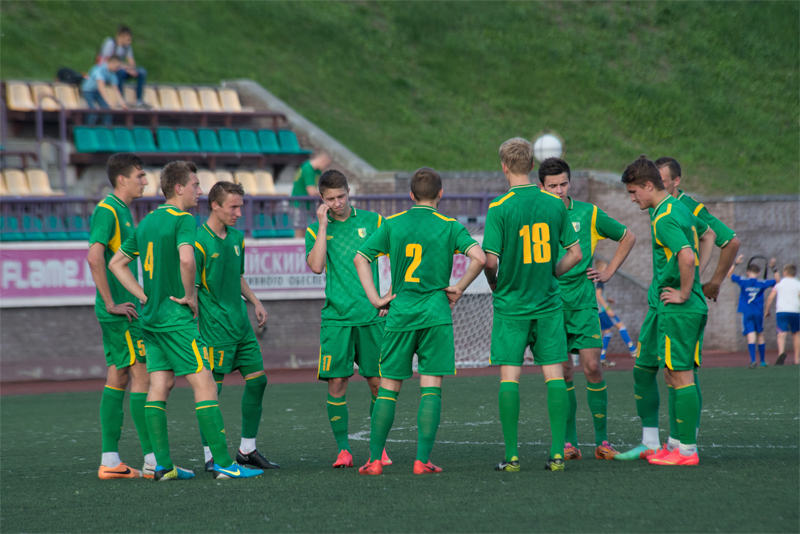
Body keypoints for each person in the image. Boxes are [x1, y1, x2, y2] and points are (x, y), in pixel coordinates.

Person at [109, 161, 262, 481]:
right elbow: (186, 258)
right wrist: (190, 296)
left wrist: (144, 296)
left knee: (160, 385)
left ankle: (163, 465)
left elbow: (117, 263)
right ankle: (224, 464)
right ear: (178, 188)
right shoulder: (184, 220)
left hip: (151, 320)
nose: (200, 191)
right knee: (205, 384)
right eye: (195, 185)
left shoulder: (147, 222)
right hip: (176, 320)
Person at [354, 167, 486, 475]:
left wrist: (376, 299)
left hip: (401, 315)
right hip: (436, 316)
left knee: (388, 388)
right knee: (431, 388)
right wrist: (458, 288)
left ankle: (375, 461)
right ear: (441, 194)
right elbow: (480, 258)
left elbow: (360, 258)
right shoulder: (449, 226)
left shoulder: (392, 224)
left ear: (411, 195)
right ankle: (421, 460)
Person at [483, 139, 582, 472]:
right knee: (554, 374)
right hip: (548, 303)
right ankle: (557, 454)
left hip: (512, 305)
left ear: (504, 167)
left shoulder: (499, 207)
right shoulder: (555, 203)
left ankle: (512, 456)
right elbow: (576, 254)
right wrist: (551, 273)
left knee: (510, 376)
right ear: (531, 165)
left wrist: (494, 282)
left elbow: (490, 261)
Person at [537, 157, 636, 462]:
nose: (559, 190)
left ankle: (603, 441)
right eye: (552, 186)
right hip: (550, 306)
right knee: (564, 371)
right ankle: (569, 443)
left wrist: (608, 272)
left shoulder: (588, 213)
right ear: (541, 186)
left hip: (582, 304)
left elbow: (627, 236)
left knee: (592, 367)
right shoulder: (535, 215)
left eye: (563, 184)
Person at [618, 155, 713, 466]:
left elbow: (687, 256)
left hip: (679, 308)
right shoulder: (677, 207)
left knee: (681, 375)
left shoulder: (664, 217)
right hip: (676, 308)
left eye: (634, 192)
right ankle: (675, 445)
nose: (632, 198)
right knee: (673, 374)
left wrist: (685, 291)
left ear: (648, 185)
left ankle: (687, 451)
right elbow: (706, 235)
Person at [306, 170, 392, 468]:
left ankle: (379, 449)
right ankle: (343, 450)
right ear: (322, 198)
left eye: (341, 196)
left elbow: (399, 255)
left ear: (348, 191)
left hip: (371, 318)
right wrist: (322, 225)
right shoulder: (315, 229)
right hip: (337, 320)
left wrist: (389, 295)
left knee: (378, 384)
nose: (337, 203)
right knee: (337, 383)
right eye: (330, 199)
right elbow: (316, 266)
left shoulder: (374, 221)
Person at [195, 181, 280, 472]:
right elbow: (192, 290)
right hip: (215, 330)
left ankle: (247, 450)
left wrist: (255, 301)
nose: (239, 213)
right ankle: (210, 455)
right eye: (233, 207)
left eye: (240, 206)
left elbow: (237, 276)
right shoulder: (198, 242)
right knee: (210, 392)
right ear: (214, 205)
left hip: (242, 327)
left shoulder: (237, 238)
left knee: (258, 382)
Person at [87, 153, 153, 479]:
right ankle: (154, 460)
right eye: (140, 175)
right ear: (122, 179)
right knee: (144, 377)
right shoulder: (109, 210)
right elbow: (94, 256)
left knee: (119, 376)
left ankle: (111, 461)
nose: (146, 181)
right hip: (121, 313)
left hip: (121, 310)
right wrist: (111, 302)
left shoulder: (123, 210)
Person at [655, 157, 740, 301]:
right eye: (654, 181)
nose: (657, 187)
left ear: (676, 181)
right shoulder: (657, 204)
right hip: (661, 293)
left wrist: (714, 282)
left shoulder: (692, 208)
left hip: (680, 296)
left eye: (662, 181)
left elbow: (732, 242)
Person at [728, 255, 777, 368]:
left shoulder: (743, 281)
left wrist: (735, 263)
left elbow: (729, 274)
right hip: (758, 313)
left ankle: (753, 360)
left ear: (747, 272)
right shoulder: (762, 283)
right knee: (759, 334)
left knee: (750, 335)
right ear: (759, 273)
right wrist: (774, 268)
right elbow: (778, 281)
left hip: (747, 312)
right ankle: (763, 361)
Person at [594, 258, 637, 362]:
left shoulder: (595, 280)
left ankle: (602, 357)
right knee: (621, 326)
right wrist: (608, 308)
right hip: (604, 311)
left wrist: (608, 299)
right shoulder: (600, 280)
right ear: (601, 269)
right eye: (606, 268)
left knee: (607, 333)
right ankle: (633, 349)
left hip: (599, 311)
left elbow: (598, 295)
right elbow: (598, 296)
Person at [97, 26, 149, 108]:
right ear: (121, 36)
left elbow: (131, 61)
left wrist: (132, 69)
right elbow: (109, 62)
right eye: (128, 39)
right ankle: (121, 100)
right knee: (121, 72)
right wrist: (126, 67)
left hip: (121, 69)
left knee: (142, 72)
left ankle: (139, 100)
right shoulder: (110, 43)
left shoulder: (127, 47)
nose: (129, 42)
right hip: (109, 71)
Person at [765, 264, 800, 365]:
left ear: (785, 272)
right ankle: (797, 359)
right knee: (796, 334)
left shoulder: (779, 283)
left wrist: (767, 311)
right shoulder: (798, 284)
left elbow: (770, 298)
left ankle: (781, 353)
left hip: (782, 311)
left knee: (781, 334)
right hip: (796, 311)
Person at [292, 153, 332, 237]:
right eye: (326, 165)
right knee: (300, 230)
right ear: (323, 161)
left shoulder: (316, 171)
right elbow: (311, 191)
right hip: (299, 204)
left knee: (308, 231)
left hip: (307, 205)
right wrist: (328, 193)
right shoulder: (308, 169)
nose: (325, 168)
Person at [82, 56, 127, 126]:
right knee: (93, 111)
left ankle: (107, 129)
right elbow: (101, 88)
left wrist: (122, 103)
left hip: (96, 91)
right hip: (87, 91)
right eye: (117, 67)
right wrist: (110, 102)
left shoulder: (112, 73)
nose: (117, 69)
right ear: (111, 63)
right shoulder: (100, 69)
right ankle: (88, 128)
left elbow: (116, 89)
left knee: (107, 110)